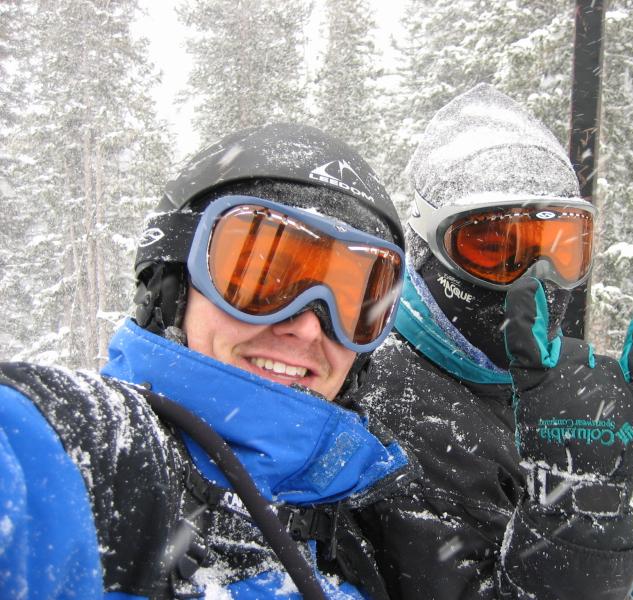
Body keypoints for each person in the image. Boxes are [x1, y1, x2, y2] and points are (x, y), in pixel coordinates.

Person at [0, 123, 417, 599]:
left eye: (351, 301)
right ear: (172, 285)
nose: (306, 326)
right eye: (262, 277)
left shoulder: (356, 515)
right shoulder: (90, 458)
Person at [351, 84, 633, 599]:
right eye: (494, 249)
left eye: (561, 250)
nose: (536, 279)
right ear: (431, 249)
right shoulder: (399, 412)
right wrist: (579, 515)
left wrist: (600, 517)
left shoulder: (544, 389)